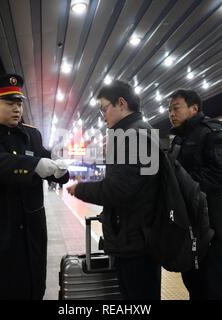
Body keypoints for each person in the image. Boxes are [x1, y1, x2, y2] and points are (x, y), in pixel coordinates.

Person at [0, 74, 69, 299]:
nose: (17, 108)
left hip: (29, 235)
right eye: (9, 103)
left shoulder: (31, 135)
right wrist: (33, 165)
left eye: (19, 103)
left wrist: (61, 172)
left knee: (30, 289)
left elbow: (49, 167)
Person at [66, 80, 161, 300]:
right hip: (137, 235)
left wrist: (80, 189)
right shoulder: (138, 131)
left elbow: (119, 190)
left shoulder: (133, 135)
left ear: (121, 103)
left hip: (135, 240)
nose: (103, 115)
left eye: (104, 108)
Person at [167, 89, 222, 300]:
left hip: (212, 221)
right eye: (169, 110)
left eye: (176, 108)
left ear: (194, 108)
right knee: (193, 281)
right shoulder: (179, 139)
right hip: (190, 222)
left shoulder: (212, 132)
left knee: (213, 284)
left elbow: (221, 173)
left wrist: (185, 188)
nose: (171, 113)